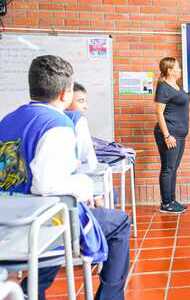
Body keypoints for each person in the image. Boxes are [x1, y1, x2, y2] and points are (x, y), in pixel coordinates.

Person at [0, 55, 131, 300]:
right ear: (64, 94)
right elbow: (48, 186)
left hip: (7, 226)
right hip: (38, 227)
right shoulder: (56, 125)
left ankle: (32, 291)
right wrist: (84, 186)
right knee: (120, 222)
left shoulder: (6, 121)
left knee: (57, 228)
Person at [154, 56, 190, 214]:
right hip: (169, 134)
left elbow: (185, 107)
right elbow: (159, 113)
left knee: (173, 168)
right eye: (178, 68)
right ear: (169, 70)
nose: (180, 70)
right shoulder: (163, 87)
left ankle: (172, 200)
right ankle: (166, 204)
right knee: (168, 168)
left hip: (179, 134)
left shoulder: (176, 86)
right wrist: (167, 136)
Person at [65, 81, 98, 171]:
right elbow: (89, 162)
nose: (85, 106)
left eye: (85, 101)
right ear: (65, 100)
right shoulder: (78, 119)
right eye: (81, 101)